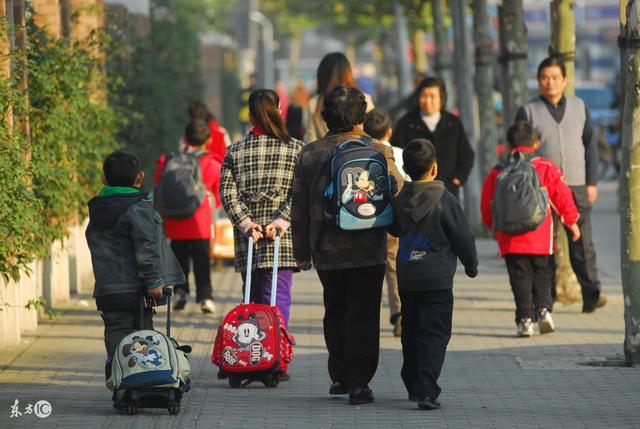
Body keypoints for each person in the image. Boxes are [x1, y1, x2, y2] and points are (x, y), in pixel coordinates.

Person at [291, 86, 404, 406]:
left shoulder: (310, 153)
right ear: (362, 115)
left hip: (327, 249)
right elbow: (395, 192)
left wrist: (301, 251)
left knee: (336, 311)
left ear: (325, 115)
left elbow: (298, 207)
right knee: (365, 315)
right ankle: (359, 383)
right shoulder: (379, 150)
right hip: (370, 247)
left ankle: (340, 375)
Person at [388, 138, 478, 411]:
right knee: (435, 334)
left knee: (412, 332)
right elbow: (463, 237)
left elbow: (393, 228)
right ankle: (427, 390)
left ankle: (413, 383)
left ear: (405, 168)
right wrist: (471, 266)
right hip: (437, 280)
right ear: (435, 168)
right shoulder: (445, 200)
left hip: (408, 278)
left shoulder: (401, 198)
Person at [515, 57, 606, 313]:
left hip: (576, 186)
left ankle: (592, 294)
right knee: (545, 246)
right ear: (538, 80)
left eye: (555, 77)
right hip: (541, 190)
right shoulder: (528, 110)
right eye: (544, 77)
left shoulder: (580, 106)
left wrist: (592, 183)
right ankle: (546, 301)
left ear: (565, 80)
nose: (550, 83)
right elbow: (518, 147)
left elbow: (591, 147)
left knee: (583, 244)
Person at [86, 150, 185, 377]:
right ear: (139, 178)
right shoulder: (138, 208)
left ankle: (119, 378)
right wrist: (154, 280)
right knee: (143, 333)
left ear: (104, 179)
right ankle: (143, 379)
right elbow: (146, 246)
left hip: (107, 289)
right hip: (137, 288)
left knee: (116, 331)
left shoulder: (98, 210)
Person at [481, 122, 581, 337]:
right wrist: (571, 222)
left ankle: (525, 319)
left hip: (509, 237)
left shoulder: (498, 171)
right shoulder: (545, 167)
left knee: (519, 277)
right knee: (542, 273)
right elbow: (561, 196)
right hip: (541, 236)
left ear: (509, 145)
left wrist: (492, 226)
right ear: (536, 143)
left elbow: (486, 203)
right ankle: (544, 311)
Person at [219, 89, 304, 329]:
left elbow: (226, 191)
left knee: (252, 301)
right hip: (282, 238)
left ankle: (253, 355)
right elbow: (302, 192)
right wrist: (282, 221)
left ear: (250, 115)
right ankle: (276, 355)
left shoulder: (234, 151)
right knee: (278, 301)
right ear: (279, 112)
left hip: (250, 239)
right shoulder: (297, 149)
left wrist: (245, 223)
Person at [155, 120, 221, 314]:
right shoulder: (212, 164)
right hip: (200, 222)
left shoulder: (168, 161)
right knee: (202, 259)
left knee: (179, 256)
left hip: (175, 219)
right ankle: (205, 297)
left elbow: (159, 183)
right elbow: (218, 198)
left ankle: (180, 293)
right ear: (208, 140)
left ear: (184, 138)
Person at [391, 77, 475, 199]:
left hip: (448, 192)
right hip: (415, 193)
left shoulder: (453, 123)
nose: (427, 100)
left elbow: (467, 155)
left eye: (432, 96)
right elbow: (396, 154)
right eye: (424, 96)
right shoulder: (406, 123)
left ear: (441, 99)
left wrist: (457, 180)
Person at [363, 109, 408, 337]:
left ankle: (366, 316)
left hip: (363, 220)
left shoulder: (360, 153)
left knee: (368, 268)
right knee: (393, 266)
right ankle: (399, 313)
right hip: (391, 219)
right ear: (389, 131)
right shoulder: (399, 154)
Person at [305, 52, 375, 143]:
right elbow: (375, 132)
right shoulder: (364, 99)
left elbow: (311, 140)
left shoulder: (314, 103)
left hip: (325, 155)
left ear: (322, 76)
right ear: (348, 73)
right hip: (360, 155)